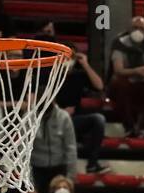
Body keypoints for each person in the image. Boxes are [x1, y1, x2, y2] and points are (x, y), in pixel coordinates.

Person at [36, 19, 110, 176]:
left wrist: (85, 64)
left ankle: (92, 163)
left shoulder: (79, 75)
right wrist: (61, 112)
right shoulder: (49, 74)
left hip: (75, 119)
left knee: (98, 119)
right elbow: (42, 99)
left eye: (71, 56)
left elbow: (99, 86)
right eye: (65, 55)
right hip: (54, 120)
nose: (67, 60)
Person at [109, 16, 144, 137]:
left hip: (143, 82)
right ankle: (129, 127)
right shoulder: (119, 43)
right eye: (135, 28)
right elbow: (118, 70)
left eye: (142, 28)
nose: (138, 31)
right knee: (118, 83)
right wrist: (136, 71)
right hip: (126, 81)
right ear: (129, 29)